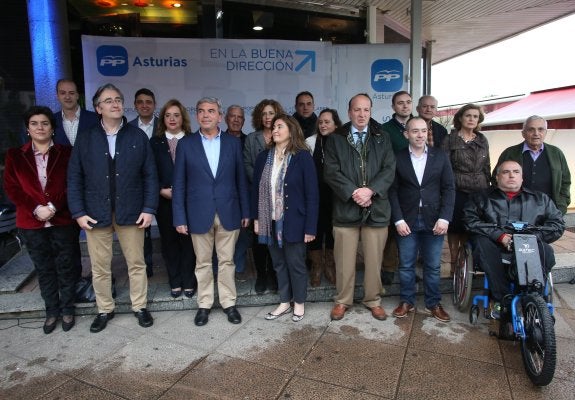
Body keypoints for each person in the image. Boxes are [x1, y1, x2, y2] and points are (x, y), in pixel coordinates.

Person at [67, 83, 159, 333]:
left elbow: (150, 175)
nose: (115, 103)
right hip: (95, 212)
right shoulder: (86, 138)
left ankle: (139, 306)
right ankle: (104, 309)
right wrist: (78, 212)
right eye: (108, 100)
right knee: (100, 266)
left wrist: (149, 208)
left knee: (136, 263)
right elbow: (75, 177)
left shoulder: (137, 136)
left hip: (131, 211)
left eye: (118, 99)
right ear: (98, 108)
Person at [172, 97, 250, 327]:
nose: (206, 115)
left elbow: (240, 181)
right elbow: (179, 184)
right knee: (203, 262)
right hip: (197, 212)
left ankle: (228, 303)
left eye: (211, 111)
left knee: (227, 261)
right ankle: (204, 304)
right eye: (201, 111)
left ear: (219, 115)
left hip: (229, 210)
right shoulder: (186, 144)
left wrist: (246, 210)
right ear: (196, 116)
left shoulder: (233, 143)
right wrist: (179, 217)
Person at [4, 106, 78, 333]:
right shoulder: (16, 155)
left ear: (52, 128)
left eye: (44, 123)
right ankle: (51, 310)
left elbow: (73, 184)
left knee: (67, 265)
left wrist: (54, 206)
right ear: (27, 129)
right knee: (44, 268)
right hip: (31, 221)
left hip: (62, 219)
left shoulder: (67, 153)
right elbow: (12, 188)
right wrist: (36, 208)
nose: (40, 127)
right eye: (34, 123)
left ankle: (67, 308)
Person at [324, 93, 396, 321]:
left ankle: (373, 300)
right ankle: (342, 300)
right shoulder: (336, 138)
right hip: (346, 209)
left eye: (366, 109)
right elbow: (331, 172)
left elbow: (389, 169)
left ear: (371, 111)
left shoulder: (382, 137)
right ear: (349, 112)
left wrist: (370, 190)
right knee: (344, 260)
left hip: (376, 208)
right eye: (357, 109)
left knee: (374, 260)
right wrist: (354, 192)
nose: (362, 114)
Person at [463, 160, 564, 317]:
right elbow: (470, 220)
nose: (511, 175)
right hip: (494, 244)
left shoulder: (540, 199)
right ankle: (502, 299)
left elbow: (557, 224)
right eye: (506, 172)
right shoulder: (481, 197)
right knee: (481, 244)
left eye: (516, 172)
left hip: (529, 244)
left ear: (522, 178)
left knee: (547, 251)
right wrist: (499, 236)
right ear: (497, 177)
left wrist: (532, 237)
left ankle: (534, 297)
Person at [253, 114, 319, 322]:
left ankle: (298, 303)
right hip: (269, 221)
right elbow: (256, 190)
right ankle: (284, 301)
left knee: (295, 263)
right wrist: (257, 219)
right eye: (273, 127)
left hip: (295, 222)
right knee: (278, 264)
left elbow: (312, 194)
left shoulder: (302, 156)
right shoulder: (264, 157)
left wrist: (310, 228)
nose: (274, 130)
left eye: (279, 126)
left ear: (291, 130)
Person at [389, 117, 455, 322]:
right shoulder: (397, 157)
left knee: (433, 266)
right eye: (415, 131)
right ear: (406, 134)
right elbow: (392, 191)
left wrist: (445, 218)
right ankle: (407, 301)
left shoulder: (440, 156)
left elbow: (449, 189)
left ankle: (433, 303)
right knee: (406, 264)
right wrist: (398, 220)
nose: (420, 135)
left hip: (434, 219)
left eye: (423, 131)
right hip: (407, 220)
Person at [150, 99, 197, 298]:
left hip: (190, 201)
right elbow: (149, 171)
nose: (172, 119)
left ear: (183, 118)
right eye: (168, 115)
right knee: (169, 243)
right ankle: (174, 281)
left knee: (188, 243)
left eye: (176, 115)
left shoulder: (194, 139)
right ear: (163, 118)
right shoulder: (155, 142)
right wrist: (161, 189)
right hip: (165, 201)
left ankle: (189, 281)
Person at [441, 103, 490, 275]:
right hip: (457, 189)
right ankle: (455, 263)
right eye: (468, 115)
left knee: (472, 227)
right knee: (455, 228)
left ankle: (468, 264)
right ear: (460, 118)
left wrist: (489, 188)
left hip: (479, 190)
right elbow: (444, 167)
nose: (471, 119)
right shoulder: (450, 139)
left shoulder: (482, 139)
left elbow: (487, 166)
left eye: (475, 116)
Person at [244, 99, 286, 294]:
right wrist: (266, 182)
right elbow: (247, 165)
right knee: (259, 239)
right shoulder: (252, 139)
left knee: (277, 238)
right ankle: (261, 275)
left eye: (271, 113)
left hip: (279, 198)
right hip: (259, 196)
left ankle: (275, 275)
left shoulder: (285, 136)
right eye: (264, 114)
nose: (268, 117)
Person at [493, 115, 571, 214]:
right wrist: (505, 203)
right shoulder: (510, 153)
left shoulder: (556, 153)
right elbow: (496, 179)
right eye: (531, 129)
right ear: (523, 133)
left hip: (549, 211)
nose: (536, 133)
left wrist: (561, 206)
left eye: (540, 129)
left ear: (546, 132)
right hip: (515, 210)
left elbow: (565, 181)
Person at [305, 108, 342, 286]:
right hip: (315, 197)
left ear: (336, 124)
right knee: (316, 232)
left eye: (327, 122)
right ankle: (317, 267)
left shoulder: (343, 142)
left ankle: (330, 265)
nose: (323, 125)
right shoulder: (310, 142)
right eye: (320, 122)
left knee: (333, 233)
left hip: (337, 197)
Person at [380, 90, 413, 285]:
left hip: (413, 186)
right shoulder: (385, 129)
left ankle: (406, 267)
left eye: (408, 102)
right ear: (393, 107)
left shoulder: (418, 126)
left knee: (410, 228)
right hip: (392, 184)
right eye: (400, 103)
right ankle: (388, 268)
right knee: (392, 229)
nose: (405, 106)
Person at [129, 88, 159, 278]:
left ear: (154, 104)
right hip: (138, 187)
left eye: (148, 101)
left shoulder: (163, 125)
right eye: (140, 102)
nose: (145, 105)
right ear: (135, 105)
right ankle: (146, 266)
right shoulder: (128, 127)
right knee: (141, 229)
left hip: (162, 185)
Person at [224, 105, 250, 282]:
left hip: (245, 194)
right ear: (226, 119)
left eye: (239, 117)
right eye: (232, 116)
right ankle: (222, 269)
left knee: (243, 233)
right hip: (225, 195)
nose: (235, 120)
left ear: (244, 120)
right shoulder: (219, 139)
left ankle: (239, 267)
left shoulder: (248, 141)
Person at [53, 79, 99, 146]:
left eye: (71, 93)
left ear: (77, 95)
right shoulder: (52, 120)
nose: (67, 97)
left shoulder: (95, 118)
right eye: (63, 93)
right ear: (57, 96)